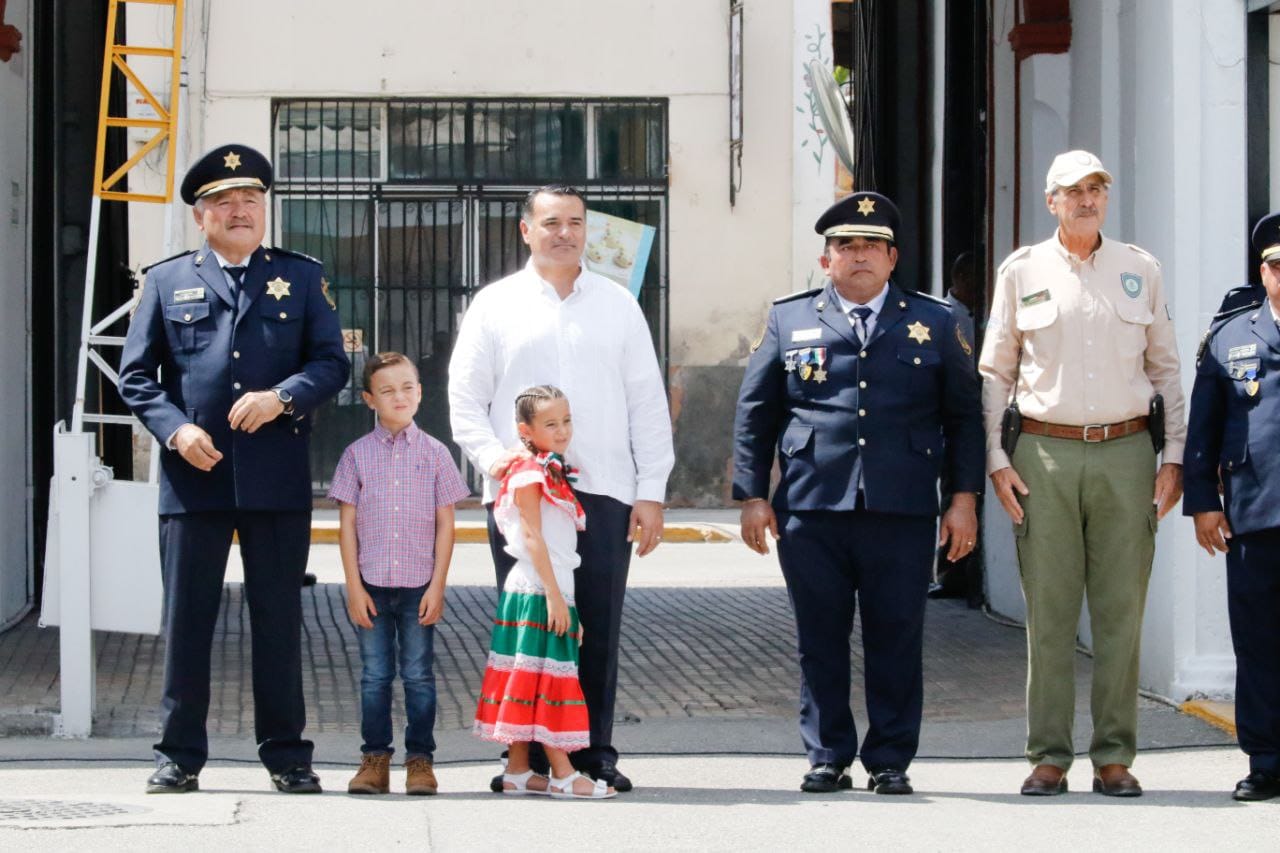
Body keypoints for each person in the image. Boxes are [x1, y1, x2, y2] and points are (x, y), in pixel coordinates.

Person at [733, 191, 984, 796]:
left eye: (872, 246)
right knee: (819, 638)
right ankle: (827, 754)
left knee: (896, 635)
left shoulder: (935, 321)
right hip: (812, 504)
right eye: (846, 246)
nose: (860, 256)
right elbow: (756, 410)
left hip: (900, 506)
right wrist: (751, 495)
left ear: (893, 258)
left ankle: (890, 758)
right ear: (827, 261)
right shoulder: (789, 319)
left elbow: (965, 418)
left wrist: (963, 499)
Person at [118, 144, 349, 793]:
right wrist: (176, 427)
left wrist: (282, 396)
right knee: (188, 621)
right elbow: (136, 376)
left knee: (277, 620)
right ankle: (179, 754)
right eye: (225, 202)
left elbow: (333, 363)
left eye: (251, 200)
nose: (240, 211)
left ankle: (287, 754)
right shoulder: (165, 281)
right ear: (201, 215)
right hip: (195, 480)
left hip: (275, 478)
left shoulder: (300, 277)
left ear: (264, 210)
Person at [449, 185, 674, 793]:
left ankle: (592, 751)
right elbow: (465, 401)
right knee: (531, 625)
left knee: (594, 625)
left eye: (576, 222)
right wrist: (501, 464)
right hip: (525, 500)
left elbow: (646, 403)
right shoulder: (495, 306)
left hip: (603, 490)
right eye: (552, 223)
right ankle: (528, 757)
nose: (565, 233)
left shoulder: (619, 305)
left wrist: (650, 489)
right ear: (527, 231)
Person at [979, 150, 1185, 798]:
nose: (1087, 199)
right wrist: (995, 456)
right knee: (1051, 611)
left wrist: (1174, 453)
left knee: (1122, 609)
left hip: (1126, 452)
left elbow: (1167, 368)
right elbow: (996, 371)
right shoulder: (1022, 271)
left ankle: (1115, 755)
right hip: (1045, 451)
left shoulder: (1139, 269)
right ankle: (1049, 755)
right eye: (1074, 190)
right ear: (1052, 201)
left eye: (1096, 188)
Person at [327, 351, 471, 796]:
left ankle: (420, 761)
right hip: (371, 583)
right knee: (374, 676)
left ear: (421, 392)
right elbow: (347, 525)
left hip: (417, 587)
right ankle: (374, 759)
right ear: (370, 399)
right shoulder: (356, 455)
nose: (399, 396)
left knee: (418, 676)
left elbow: (447, 523)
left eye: (408, 387)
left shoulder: (436, 454)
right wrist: (353, 586)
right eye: (387, 390)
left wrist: (438, 586)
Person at [473, 385, 616, 800]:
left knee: (531, 676)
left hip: (545, 585)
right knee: (549, 678)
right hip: (538, 587)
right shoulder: (531, 473)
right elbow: (533, 536)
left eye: (566, 420)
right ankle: (563, 772)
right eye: (551, 424)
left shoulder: (548, 469)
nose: (562, 430)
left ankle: (518, 769)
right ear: (526, 429)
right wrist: (557, 599)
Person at [1182, 212, 1280, 802]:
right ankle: (1266, 760)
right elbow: (1204, 427)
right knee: (1259, 643)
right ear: (1263, 271)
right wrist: (1202, 502)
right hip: (1255, 512)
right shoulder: (1231, 336)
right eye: (1276, 265)